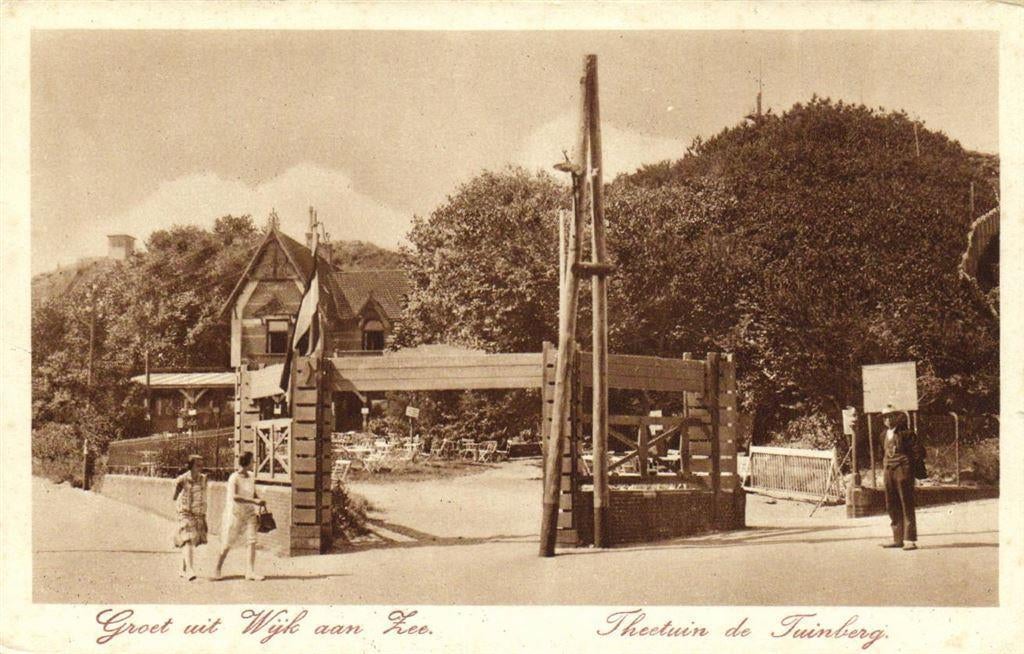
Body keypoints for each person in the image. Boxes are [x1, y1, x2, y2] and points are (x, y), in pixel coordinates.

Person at [213, 452, 266, 580]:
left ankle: (250, 572)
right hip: (235, 514)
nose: (254, 463)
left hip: (250, 513)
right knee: (227, 543)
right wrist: (254, 501)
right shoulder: (234, 478)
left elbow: (253, 493)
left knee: (252, 541)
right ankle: (217, 568)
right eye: (252, 461)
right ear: (246, 462)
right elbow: (235, 497)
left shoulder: (251, 476)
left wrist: (259, 500)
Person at [879, 406, 924, 550]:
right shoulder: (883, 435)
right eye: (885, 417)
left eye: (891, 416)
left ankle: (909, 539)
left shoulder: (907, 433)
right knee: (891, 504)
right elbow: (882, 453)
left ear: (897, 417)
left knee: (906, 503)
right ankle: (897, 538)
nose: (888, 420)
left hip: (903, 470)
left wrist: (910, 469)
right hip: (888, 470)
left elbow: (918, 452)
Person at [172, 454, 208, 581]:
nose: (201, 468)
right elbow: (174, 496)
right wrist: (178, 492)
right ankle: (190, 570)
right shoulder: (182, 479)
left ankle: (183, 569)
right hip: (185, 512)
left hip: (197, 514)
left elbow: (203, 497)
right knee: (187, 539)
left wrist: (202, 515)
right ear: (191, 466)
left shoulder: (204, 479)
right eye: (198, 465)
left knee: (190, 541)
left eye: (202, 465)